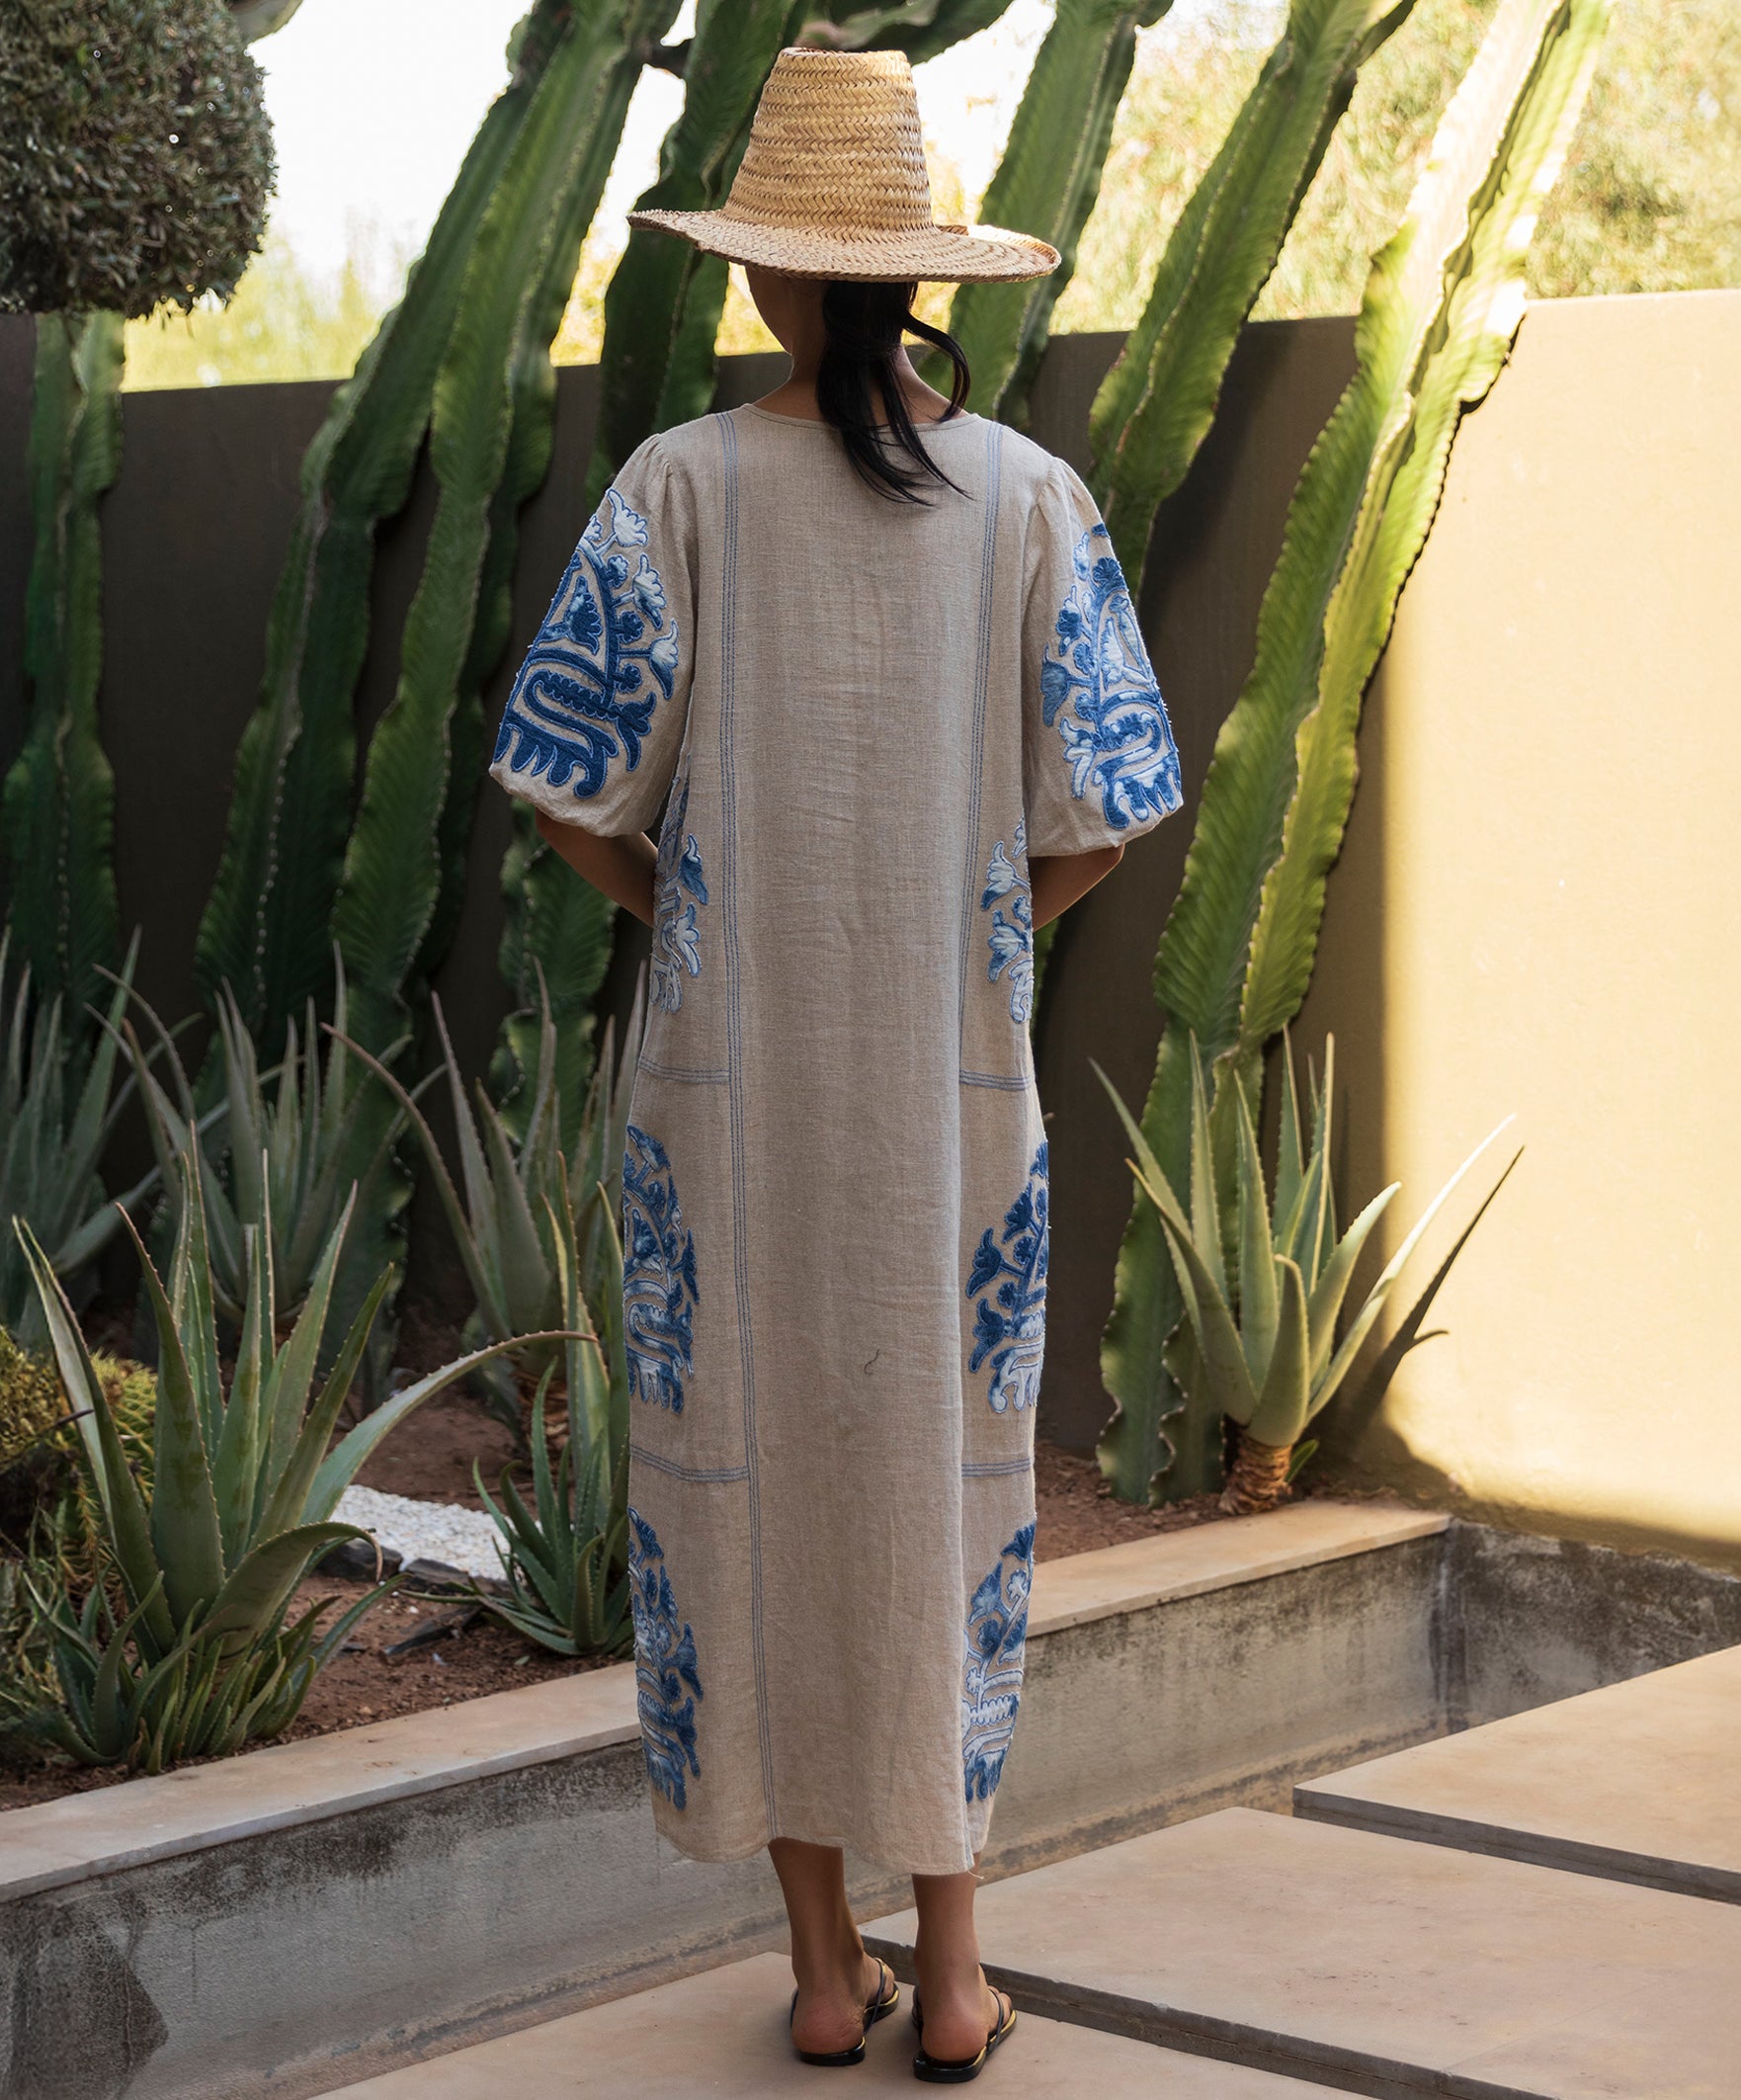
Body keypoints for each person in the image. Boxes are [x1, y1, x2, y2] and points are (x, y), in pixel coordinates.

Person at [487, 45, 1182, 2083]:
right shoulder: (1030, 497)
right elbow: (1112, 800)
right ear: (918, 280)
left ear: (775, 288)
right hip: (952, 1093)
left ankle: (817, 1970)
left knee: (747, 1496)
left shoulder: (679, 485)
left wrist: (683, 915)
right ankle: (952, 1976)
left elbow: (555, 785)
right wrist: (983, 928)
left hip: (721, 1101)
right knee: (935, 1497)